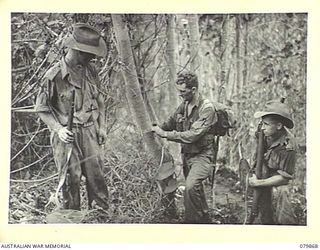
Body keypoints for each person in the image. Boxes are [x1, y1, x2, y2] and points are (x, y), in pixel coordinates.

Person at [35, 23, 109, 210]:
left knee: (96, 176)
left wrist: (102, 127)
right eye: (89, 53)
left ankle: (100, 218)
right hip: (67, 135)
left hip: (90, 131)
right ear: (77, 51)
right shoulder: (54, 76)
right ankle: (72, 220)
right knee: (71, 177)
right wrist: (59, 130)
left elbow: (100, 100)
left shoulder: (91, 70)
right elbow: (42, 109)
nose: (93, 57)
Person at [152, 73, 217, 223]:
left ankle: (191, 223)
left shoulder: (207, 108)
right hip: (187, 155)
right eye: (179, 91)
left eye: (183, 91)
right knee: (196, 190)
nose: (180, 95)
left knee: (191, 186)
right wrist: (157, 128)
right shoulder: (185, 104)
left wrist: (166, 134)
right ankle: (205, 220)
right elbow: (171, 121)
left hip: (203, 155)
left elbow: (193, 135)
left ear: (193, 89)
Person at [248, 99, 298, 224]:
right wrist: (255, 173)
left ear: (279, 126)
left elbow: (284, 178)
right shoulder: (263, 133)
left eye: (266, 124)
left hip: (279, 179)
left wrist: (259, 183)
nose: (262, 127)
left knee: (283, 193)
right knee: (261, 210)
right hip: (264, 172)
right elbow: (258, 156)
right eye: (262, 123)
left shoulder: (288, 146)